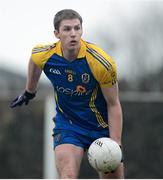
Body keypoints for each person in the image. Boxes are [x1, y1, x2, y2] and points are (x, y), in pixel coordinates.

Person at [10, 9, 124, 179]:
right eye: (67, 29)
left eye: (77, 28)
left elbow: (113, 104)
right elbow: (34, 60)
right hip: (69, 125)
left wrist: (116, 143)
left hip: (101, 128)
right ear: (56, 33)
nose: (73, 34)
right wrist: (29, 91)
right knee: (68, 175)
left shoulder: (102, 63)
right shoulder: (45, 55)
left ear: (82, 30)